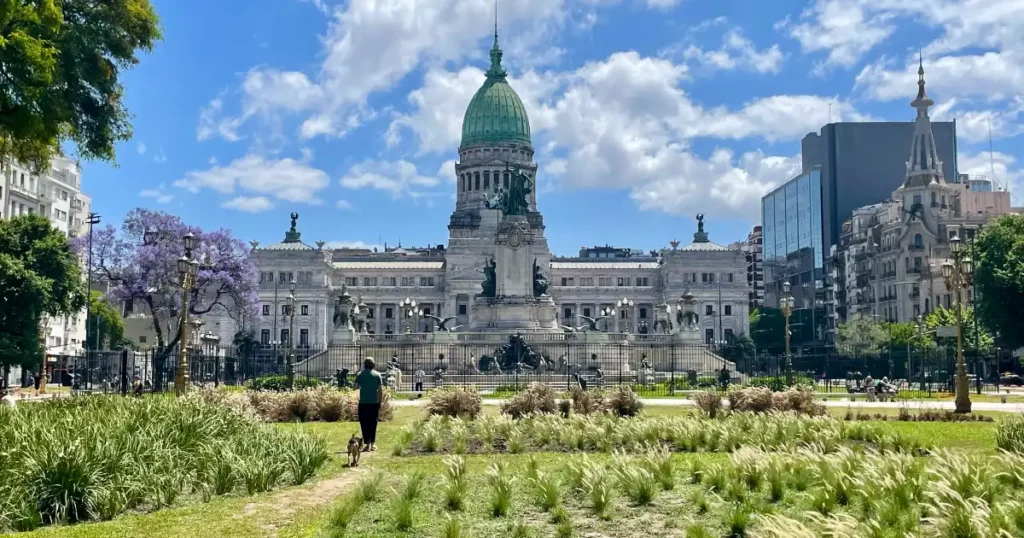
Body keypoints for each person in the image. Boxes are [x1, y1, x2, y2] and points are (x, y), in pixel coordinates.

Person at [354, 357, 384, 452]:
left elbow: (354, 387)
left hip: (363, 403)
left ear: (364, 365)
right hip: (374, 402)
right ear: (373, 365)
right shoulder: (377, 375)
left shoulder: (360, 375)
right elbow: (380, 390)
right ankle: (372, 443)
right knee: (373, 423)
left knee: (364, 423)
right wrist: (380, 401)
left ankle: (367, 443)